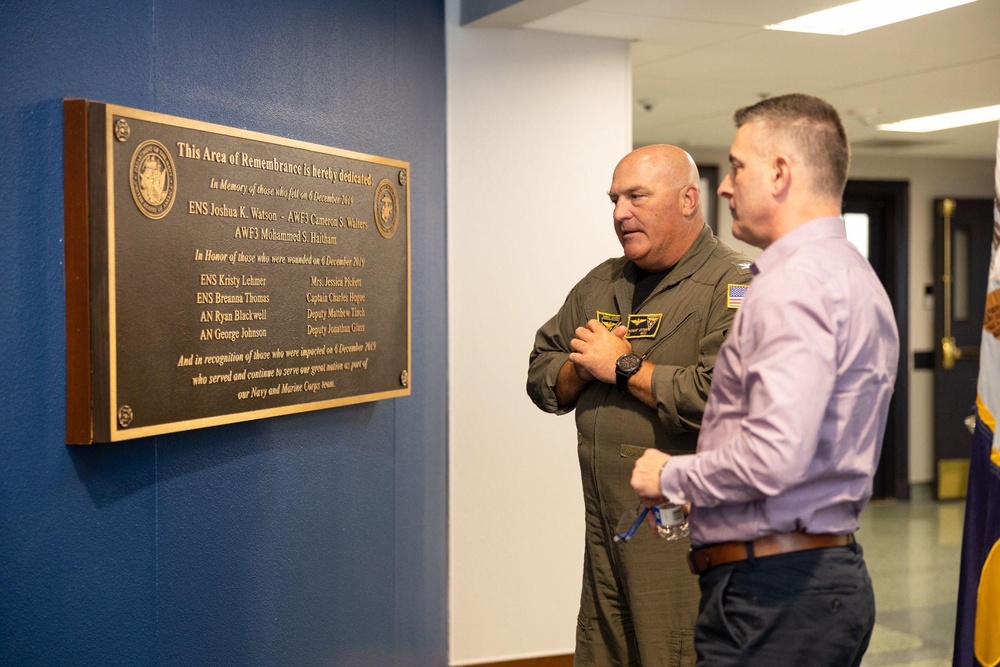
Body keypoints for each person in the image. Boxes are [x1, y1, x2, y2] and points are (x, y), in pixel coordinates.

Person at [630, 94, 899, 666]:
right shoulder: (850, 274)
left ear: (780, 173)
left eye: (736, 166)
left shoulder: (794, 285)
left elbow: (776, 455)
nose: (724, 187)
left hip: (774, 594)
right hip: (804, 581)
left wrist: (672, 476)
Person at [527, 144, 752, 666]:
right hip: (605, 524)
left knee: (678, 654)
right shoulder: (602, 283)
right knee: (605, 652)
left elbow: (723, 396)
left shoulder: (735, 284)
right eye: (614, 199)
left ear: (689, 200)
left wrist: (623, 367)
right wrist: (578, 369)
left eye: (637, 196)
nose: (619, 213)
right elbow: (541, 370)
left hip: (684, 538)